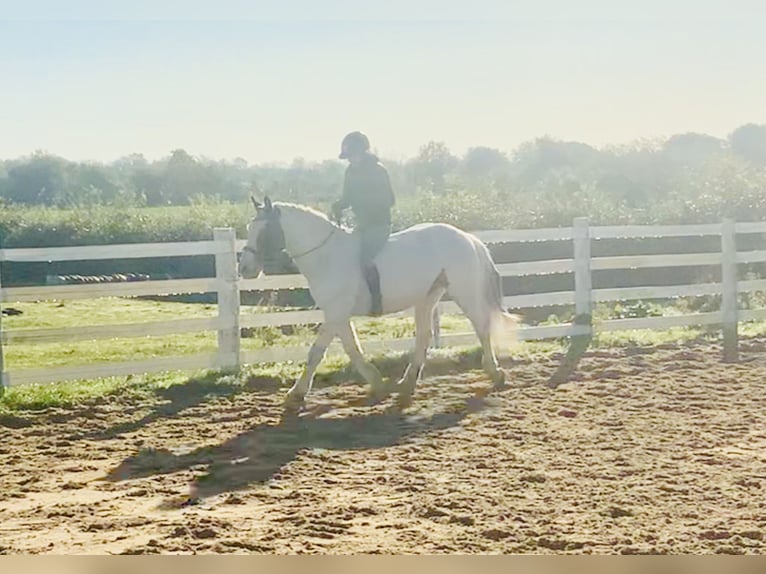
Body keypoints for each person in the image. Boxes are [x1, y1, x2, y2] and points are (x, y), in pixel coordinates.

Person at [331, 131, 395, 316]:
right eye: (348, 157)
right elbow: (348, 197)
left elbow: (390, 199)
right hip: (362, 225)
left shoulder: (378, 170)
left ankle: (377, 301)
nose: (350, 159)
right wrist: (339, 206)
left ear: (363, 151)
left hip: (379, 225)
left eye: (352, 155)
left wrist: (365, 203)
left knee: (365, 259)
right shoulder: (350, 172)